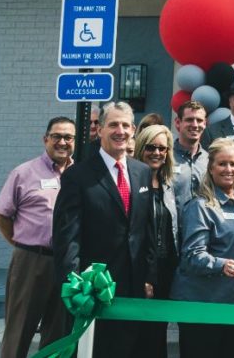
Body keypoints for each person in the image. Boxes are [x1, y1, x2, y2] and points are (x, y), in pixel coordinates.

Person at [52, 101, 156, 358]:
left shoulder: (142, 172)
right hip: (93, 286)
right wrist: (74, 285)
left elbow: (147, 229)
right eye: (113, 125)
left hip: (134, 284)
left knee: (129, 349)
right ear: (99, 130)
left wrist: (150, 276)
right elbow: (67, 236)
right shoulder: (78, 175)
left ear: (133, 130)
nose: (119, 131)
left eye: (125, 125)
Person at [0, 117, 74, 358]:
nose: (62, 142)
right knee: (20, 330)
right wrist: (22, 245)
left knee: (57, 332)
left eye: (68, 137)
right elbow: (1, 217)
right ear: (45, 139)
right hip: (31, 260)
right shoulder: (24, 172)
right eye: (57, 136)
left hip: (66, 264)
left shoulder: (79, 173)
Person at [172, 138, 234, 358]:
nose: (229, 169)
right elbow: (192, 256)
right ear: (211, 167)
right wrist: (221, 264)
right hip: (204, 304)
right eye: (222, 164)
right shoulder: (200, 206)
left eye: (233, 164)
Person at [133, 124, 180, 357]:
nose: (157, 153)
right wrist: (144, 275)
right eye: (151, 147)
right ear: (141, 147)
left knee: (157, 332)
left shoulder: (168, 186)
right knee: (139, 335)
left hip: (166, 270)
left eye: (163, 148)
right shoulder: (132, 184)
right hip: (140, 271)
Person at [173, 101, 209, 215]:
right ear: (178, 123)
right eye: (189, 120)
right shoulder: (166, 157)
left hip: (203, 228)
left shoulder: (210, 160)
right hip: (172, 229)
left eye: (199, 120)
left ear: (205, 124)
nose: (195, 125)